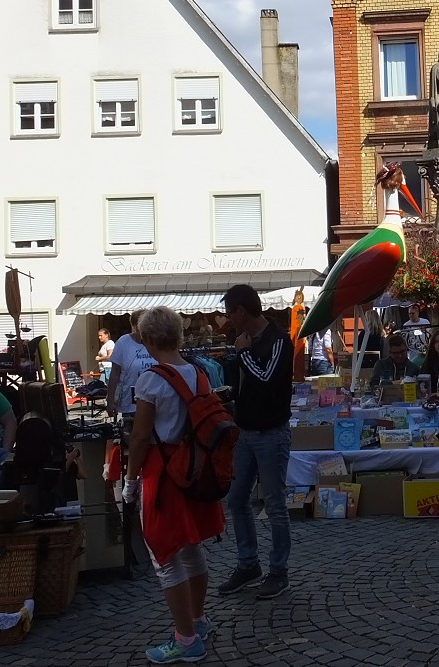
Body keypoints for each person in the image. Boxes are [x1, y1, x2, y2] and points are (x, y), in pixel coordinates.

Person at [121, 307, 223, 664]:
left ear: (148, 339)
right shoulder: (199, 373)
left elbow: (140, 437)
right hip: (194, 470)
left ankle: (186, 638)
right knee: (192, 547)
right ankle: (197, 620)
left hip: (163, 474)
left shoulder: (151, 379)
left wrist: (129, 483)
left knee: (164, 555)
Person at [219, 284, 293, 600]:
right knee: (236, 500)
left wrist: (243, 354)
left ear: (241, 311)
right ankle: (249, 564)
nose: (226, 320)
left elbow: (265, 380)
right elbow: (244, 384)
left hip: (271, 433)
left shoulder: (278, 341)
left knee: (274, 504)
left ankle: (278, 571)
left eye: (228, 313)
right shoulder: (242, 342)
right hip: (245, 432)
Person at [106, 309, 157, 419]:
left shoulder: (156, 341)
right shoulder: (123, 342)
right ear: (134, 326)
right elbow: (114, 374)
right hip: (130, 404)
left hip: (155, 402)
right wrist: (110, 401)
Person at [289, 289, 307, 383]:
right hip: (299, 335)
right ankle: (298, 376)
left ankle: (297, 375)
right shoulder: (299, 308)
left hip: (295, 336)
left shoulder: (294, 308)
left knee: (295, 356)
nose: (299, 299)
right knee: (298, 356)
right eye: (298, 297)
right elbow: (300, 323)